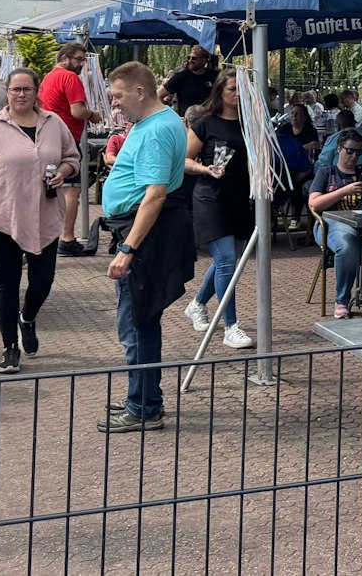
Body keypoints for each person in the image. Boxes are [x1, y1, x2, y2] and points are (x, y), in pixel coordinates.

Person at [0, 68, 79, 375]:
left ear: (37, 91)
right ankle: (9, 348)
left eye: (27, 89)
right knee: (7, 284)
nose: (21, 95)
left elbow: (72, 158)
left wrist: (63, 173)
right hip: (4, 218)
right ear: (7, 91)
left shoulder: (54, 124)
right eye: (15, 89)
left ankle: (27, 318)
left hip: (46, 216)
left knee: (42, 281)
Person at [98, 61, 192, 433]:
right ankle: (143, 396)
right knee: (141, 321)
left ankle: (144, 407)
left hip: (144, 235)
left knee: (137, 324)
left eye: (118, 97)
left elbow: (154, 194)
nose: (115, 105)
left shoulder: (154, 130)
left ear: (140, 91)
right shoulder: (159, 122)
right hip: (144, 229)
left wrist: (129, 248)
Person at [181, 73, 255, 350]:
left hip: (239, 198)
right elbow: (184, 161)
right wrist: (205, 169)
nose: (237, 94)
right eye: (233, 89)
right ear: (220, 91)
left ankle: (197, 304)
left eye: (242, 90)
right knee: (225, 261)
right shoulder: (205, 124)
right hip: (211, 198)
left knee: (230, 261)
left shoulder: (251, 124)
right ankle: (230, 326)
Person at [307, 129, 362, 318]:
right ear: (339, 149)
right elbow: (314, 204)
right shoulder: (327, 172)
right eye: (350, 151)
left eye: (358, 153)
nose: (354, 156)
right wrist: (343, 191)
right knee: (347, 245)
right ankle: (342, 300)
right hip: (331, 223)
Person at [40, 43, 102, 256]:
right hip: (67, 139)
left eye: (83, 60)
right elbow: (77, 111)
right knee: (71, 190)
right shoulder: (70, 77)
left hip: (48, 137)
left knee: (53, 188)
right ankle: (67, 237)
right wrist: (93, 115)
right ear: (64, 58)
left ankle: (50, 234)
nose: (81, 64)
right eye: (78, 59)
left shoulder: (49, 76)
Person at [161, 48, 216, 116]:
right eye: (189, 57)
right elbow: (158, 94)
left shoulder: (214, 76)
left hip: (209, 119)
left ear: (204, 61)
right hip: (187, 121)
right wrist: (165, 114)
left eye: (194, 58)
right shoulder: (181, 77)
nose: (190, 60)